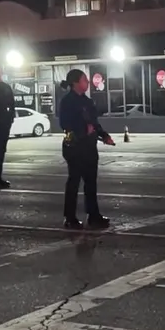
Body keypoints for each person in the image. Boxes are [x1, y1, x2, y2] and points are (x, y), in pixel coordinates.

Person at [58, 69, 114, 229]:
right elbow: (64, 124)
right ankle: (70, 218)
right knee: (74, 182)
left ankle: (93, 215)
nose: (87, 82)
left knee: (91, 183)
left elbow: (94, 123)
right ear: (75, 82)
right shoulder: (67, 101)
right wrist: (83, 130)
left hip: (89, 146)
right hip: (75, 147)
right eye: (84, 80)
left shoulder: (87, 101)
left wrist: (104, 135)